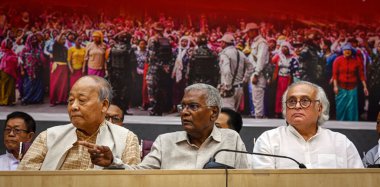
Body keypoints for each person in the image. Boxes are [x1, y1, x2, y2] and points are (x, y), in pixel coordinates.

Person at [80, 83, 249, 169]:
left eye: (193, 106)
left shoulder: (231, 140)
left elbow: (245, 180)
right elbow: (140, 174)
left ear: (213, 113)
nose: (184, 112)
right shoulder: (165, 142)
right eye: (183, 106)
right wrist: (112, 162)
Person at [18, 75, 141, 170]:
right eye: (71, 100)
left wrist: (112, 163)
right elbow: (23, 179)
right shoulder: (48, 137)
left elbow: (135, 181)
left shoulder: (126, 139)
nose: (74, 107)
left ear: (104, 105)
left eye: (82, 100)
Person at [252, 81, 363, 169]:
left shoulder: (341, 143)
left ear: (319, 108)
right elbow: (263, 182)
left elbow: (359, 181)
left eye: (305, 101)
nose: (297, 106)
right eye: (291, 101)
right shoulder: (269, 141)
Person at [333, 43, 369, 121]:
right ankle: (340, 123)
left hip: (353, 87)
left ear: (351, 51)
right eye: (345, 50)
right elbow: (335, 75)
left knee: (352, 107)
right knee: (341, 106)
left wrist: (365, 87)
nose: (347, 52)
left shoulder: (356, 61)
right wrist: (335, 86)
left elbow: (361, 75)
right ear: (342, 51)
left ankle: (352, 123)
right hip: (341, 86)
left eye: (349, 50)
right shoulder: (337, 60)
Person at [218, 33, 253, 111]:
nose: (220, 44)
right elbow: (251, 67)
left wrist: (227, 85)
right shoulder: (240, 53)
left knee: (228, 115)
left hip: (229, 89)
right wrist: (245, 79)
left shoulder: (224, 54)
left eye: (221, 42)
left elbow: (226, 71)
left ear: (224, 43)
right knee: (234, 113)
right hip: (239, 87)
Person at [106, 31, 136, 114]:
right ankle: (123, 109)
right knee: (126, 91)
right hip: (126, 73)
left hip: (114, 73)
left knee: (116, 91)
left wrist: (109, 73)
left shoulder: (113, 48)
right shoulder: (129, 49)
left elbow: (108, 62)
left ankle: (115, 109)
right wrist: (133, 76)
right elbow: (133, 63)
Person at [244, 23, 269, 118]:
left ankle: (259, 123)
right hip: (254, 73)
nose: (247, 34)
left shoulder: (261, 42)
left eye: (248, 32)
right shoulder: (254, 42)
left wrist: (256, 73)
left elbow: (261, 60)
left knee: (258, 101)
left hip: (258, 75)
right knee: (255, 100)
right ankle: (258, 120)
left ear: (254, 31)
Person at [50, 30, 69, 106]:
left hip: (64, 67)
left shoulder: (65, 48)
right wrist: (61, 34)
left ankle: (62, 99)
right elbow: (57, 40)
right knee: (55, 84)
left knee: (63, 84)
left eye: (64, 39)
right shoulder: (55, 46)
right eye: (62, 39)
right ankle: (53, 101)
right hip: (57, 66)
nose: (63, 40)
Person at [0, 38, 18, 106]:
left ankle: (10, 101)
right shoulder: (1, 52)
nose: (11, 44)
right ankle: (3, 101)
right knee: (3, 86)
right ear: (5, 44)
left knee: (11, 86)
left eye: (11, 43)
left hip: (12, 71)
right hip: (4, 71)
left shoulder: (12, 52)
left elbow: (16, 60)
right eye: (9, 43)